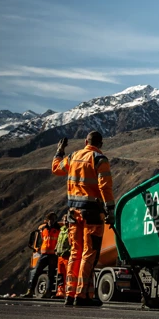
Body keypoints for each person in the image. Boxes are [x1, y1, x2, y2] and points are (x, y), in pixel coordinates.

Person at [51, 131, 115, 307]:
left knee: (74, 253)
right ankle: (82, 295)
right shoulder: (99, 159)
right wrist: (111, 210)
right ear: (100, 144)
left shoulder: (73, 156)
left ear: (85, 141)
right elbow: (105, 187)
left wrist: (59, 151)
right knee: (89, 253)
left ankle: (69, 294)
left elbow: (56, 169)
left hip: (73, 213)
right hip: (92, 214)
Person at [23, 212, 61, 297]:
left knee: (51, 275)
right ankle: (30, 291)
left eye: (54, 219)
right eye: (51, 219)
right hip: (44, 254)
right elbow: (44, 240)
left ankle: (49, 293)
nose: (52, 220)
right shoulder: (43, 229)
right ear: (47, 220)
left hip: (53, 255)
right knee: (37, 272)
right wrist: (39, 248)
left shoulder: (58, 229)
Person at [54, 210, 74, 298]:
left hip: (67, 256)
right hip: (60, 256)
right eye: (64, 220)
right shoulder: (62, 230)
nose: (65, 221)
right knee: (60, 275)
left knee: (68, 274)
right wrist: (55, 249)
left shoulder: (71, 230)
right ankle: (60, 292)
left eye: (67, 220)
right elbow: (59, 241)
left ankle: (68, 292)